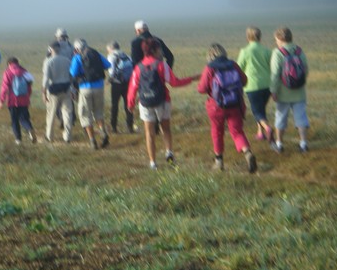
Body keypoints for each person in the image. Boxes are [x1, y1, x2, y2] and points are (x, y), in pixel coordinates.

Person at [127, 38, 199, 170]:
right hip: (163, 101)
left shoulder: (138, 68)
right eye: (159, 49)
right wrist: (192, 79)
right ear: (154, 50)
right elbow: (174, 83)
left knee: (149, 134)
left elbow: (132, 88)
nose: (161, 51)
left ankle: (153, 163)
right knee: (165, 129)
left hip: (145, 103)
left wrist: (130, 104)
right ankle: (169, 152)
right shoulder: (162, 65)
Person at [197, 43, 258, 173]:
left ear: (209, 55)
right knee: (237, 132)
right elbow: (244, 80)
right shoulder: (233, 65)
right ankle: (247, 153)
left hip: (216, 106)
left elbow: (201, 89)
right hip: (235, 103)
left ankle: (219, 162)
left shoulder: (209, 68)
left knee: (217, 132)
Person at [270, 26, 310, 153]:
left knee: (281, 117)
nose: (276, 42)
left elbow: (275, 74)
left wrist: (273, 91)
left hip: (283, 93)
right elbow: (306, 70)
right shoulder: (299, 51)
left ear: (280, 39)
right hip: (299, 92)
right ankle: (303, 144)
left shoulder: (278, 53)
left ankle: (279, 144)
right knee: (301, 117)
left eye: (276, 39)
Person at [69, 38, 111, 150]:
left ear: (77, 48)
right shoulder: (96, 54)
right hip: (99, 86)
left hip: (85, 88)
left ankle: (92, 141)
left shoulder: (77, 57)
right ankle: (103, 133)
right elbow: (108, 65)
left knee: (85, 115)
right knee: (98, 113)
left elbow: (73, 72)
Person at [237, 26, 274, 143]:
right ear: (260, 37)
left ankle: (267, 128)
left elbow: (239, 68)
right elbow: (272, 67)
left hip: (252, 86)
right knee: (261, 109)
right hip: (267, 85)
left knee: (257, 111)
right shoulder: (268, 51)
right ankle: (260, 133)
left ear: (248, 37)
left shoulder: (245, 51)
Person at [0, 57, 37, 145]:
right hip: (24, 100)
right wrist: (27, 97)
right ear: (17, 63)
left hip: (12, 101)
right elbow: (29, 87)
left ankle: (18, 139)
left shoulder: (7, 72)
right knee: (24, 118)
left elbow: (4, 87)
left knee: (14, 120)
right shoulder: (25, 72)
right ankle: (29, 128)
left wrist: (1, 101)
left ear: (8, 64)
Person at [42, 41, 73, 143]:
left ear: (50, 49)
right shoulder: (67, 60)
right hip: (66, 88)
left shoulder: (48, 61)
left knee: (51, 113)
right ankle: (67, 137)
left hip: (53, 90)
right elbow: (71, 76)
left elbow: (46, 78)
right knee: (67, 113)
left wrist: (43, 92)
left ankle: (49, 136)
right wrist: (72, 89)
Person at [106, 41, 134, 133]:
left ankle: (114, 127)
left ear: (111, 48)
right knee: (128, 105)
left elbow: (112, 72)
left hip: (116, 84)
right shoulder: (127, 56)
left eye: (108, 50)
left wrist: (108, 81)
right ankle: (130, 126)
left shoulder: (111, 57)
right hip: (128, 83)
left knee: (115, 106)